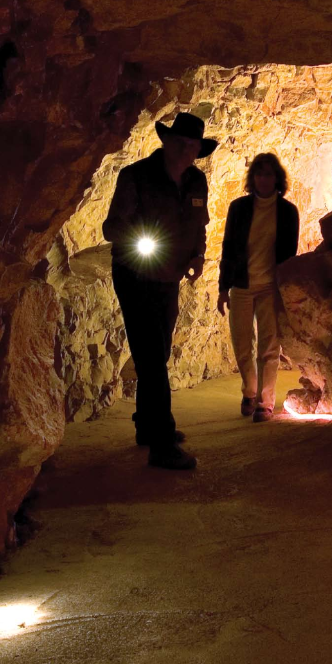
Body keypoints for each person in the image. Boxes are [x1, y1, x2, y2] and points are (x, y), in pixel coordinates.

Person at [102, 112, 215, 470]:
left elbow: (201, 225)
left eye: (193, 146)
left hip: (169, 277)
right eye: (180, 143)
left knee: (159, 350)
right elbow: (112, 227)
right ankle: (162, 444)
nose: (186, 151)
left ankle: (146, 425)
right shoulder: (135, 176)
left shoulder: (197, 181)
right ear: (166, 142)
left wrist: (198, 255)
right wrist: (140, 243)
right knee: (151, 356)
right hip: (135, 274)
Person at [217, 152, 300, 422]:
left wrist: (287, 292)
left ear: (277, 178)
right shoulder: (238, 208)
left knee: (269, 346)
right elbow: (228, 248)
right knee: (242, 343)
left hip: (270, 287)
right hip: (242, 284)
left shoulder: (288, 212)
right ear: (253, 178)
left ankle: (265, 402)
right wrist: (222, 287)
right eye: (259, 174)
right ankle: (249, 391)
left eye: (269, 174)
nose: (264, 179)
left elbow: (290, 255)